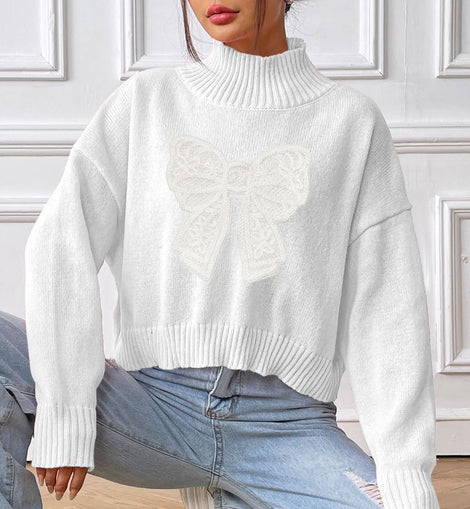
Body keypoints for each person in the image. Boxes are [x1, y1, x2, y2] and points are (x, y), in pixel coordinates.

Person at [0, 0, 440, 507]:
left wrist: (405, 474)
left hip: (287, 428)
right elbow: (61, 241)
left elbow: (387, 310)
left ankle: (228, 493)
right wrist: (65, 410)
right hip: (150, 406)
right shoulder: (145, 102)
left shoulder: (352, 123)